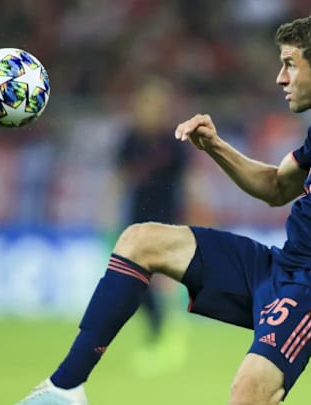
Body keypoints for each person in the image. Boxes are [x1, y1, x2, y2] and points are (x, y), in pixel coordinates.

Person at [15, 12, 311, 405]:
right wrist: (215, 146)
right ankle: (64, 389)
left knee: (249, 390)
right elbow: (274, 187)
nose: (280, 78)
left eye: (290, 64)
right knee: (139, 240)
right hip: (281, 267)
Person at [112, 76, 188, 374]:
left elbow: (188, 181)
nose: (151, 110)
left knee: (157, 280)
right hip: (136, 220)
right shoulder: (130, 139)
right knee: (136, 282)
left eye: (157, 105)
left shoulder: (173, 142)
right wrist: (108, 214)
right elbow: (119, 178)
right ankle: (163, 334)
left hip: (166, 219)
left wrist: (199, 213)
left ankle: (165, 338)